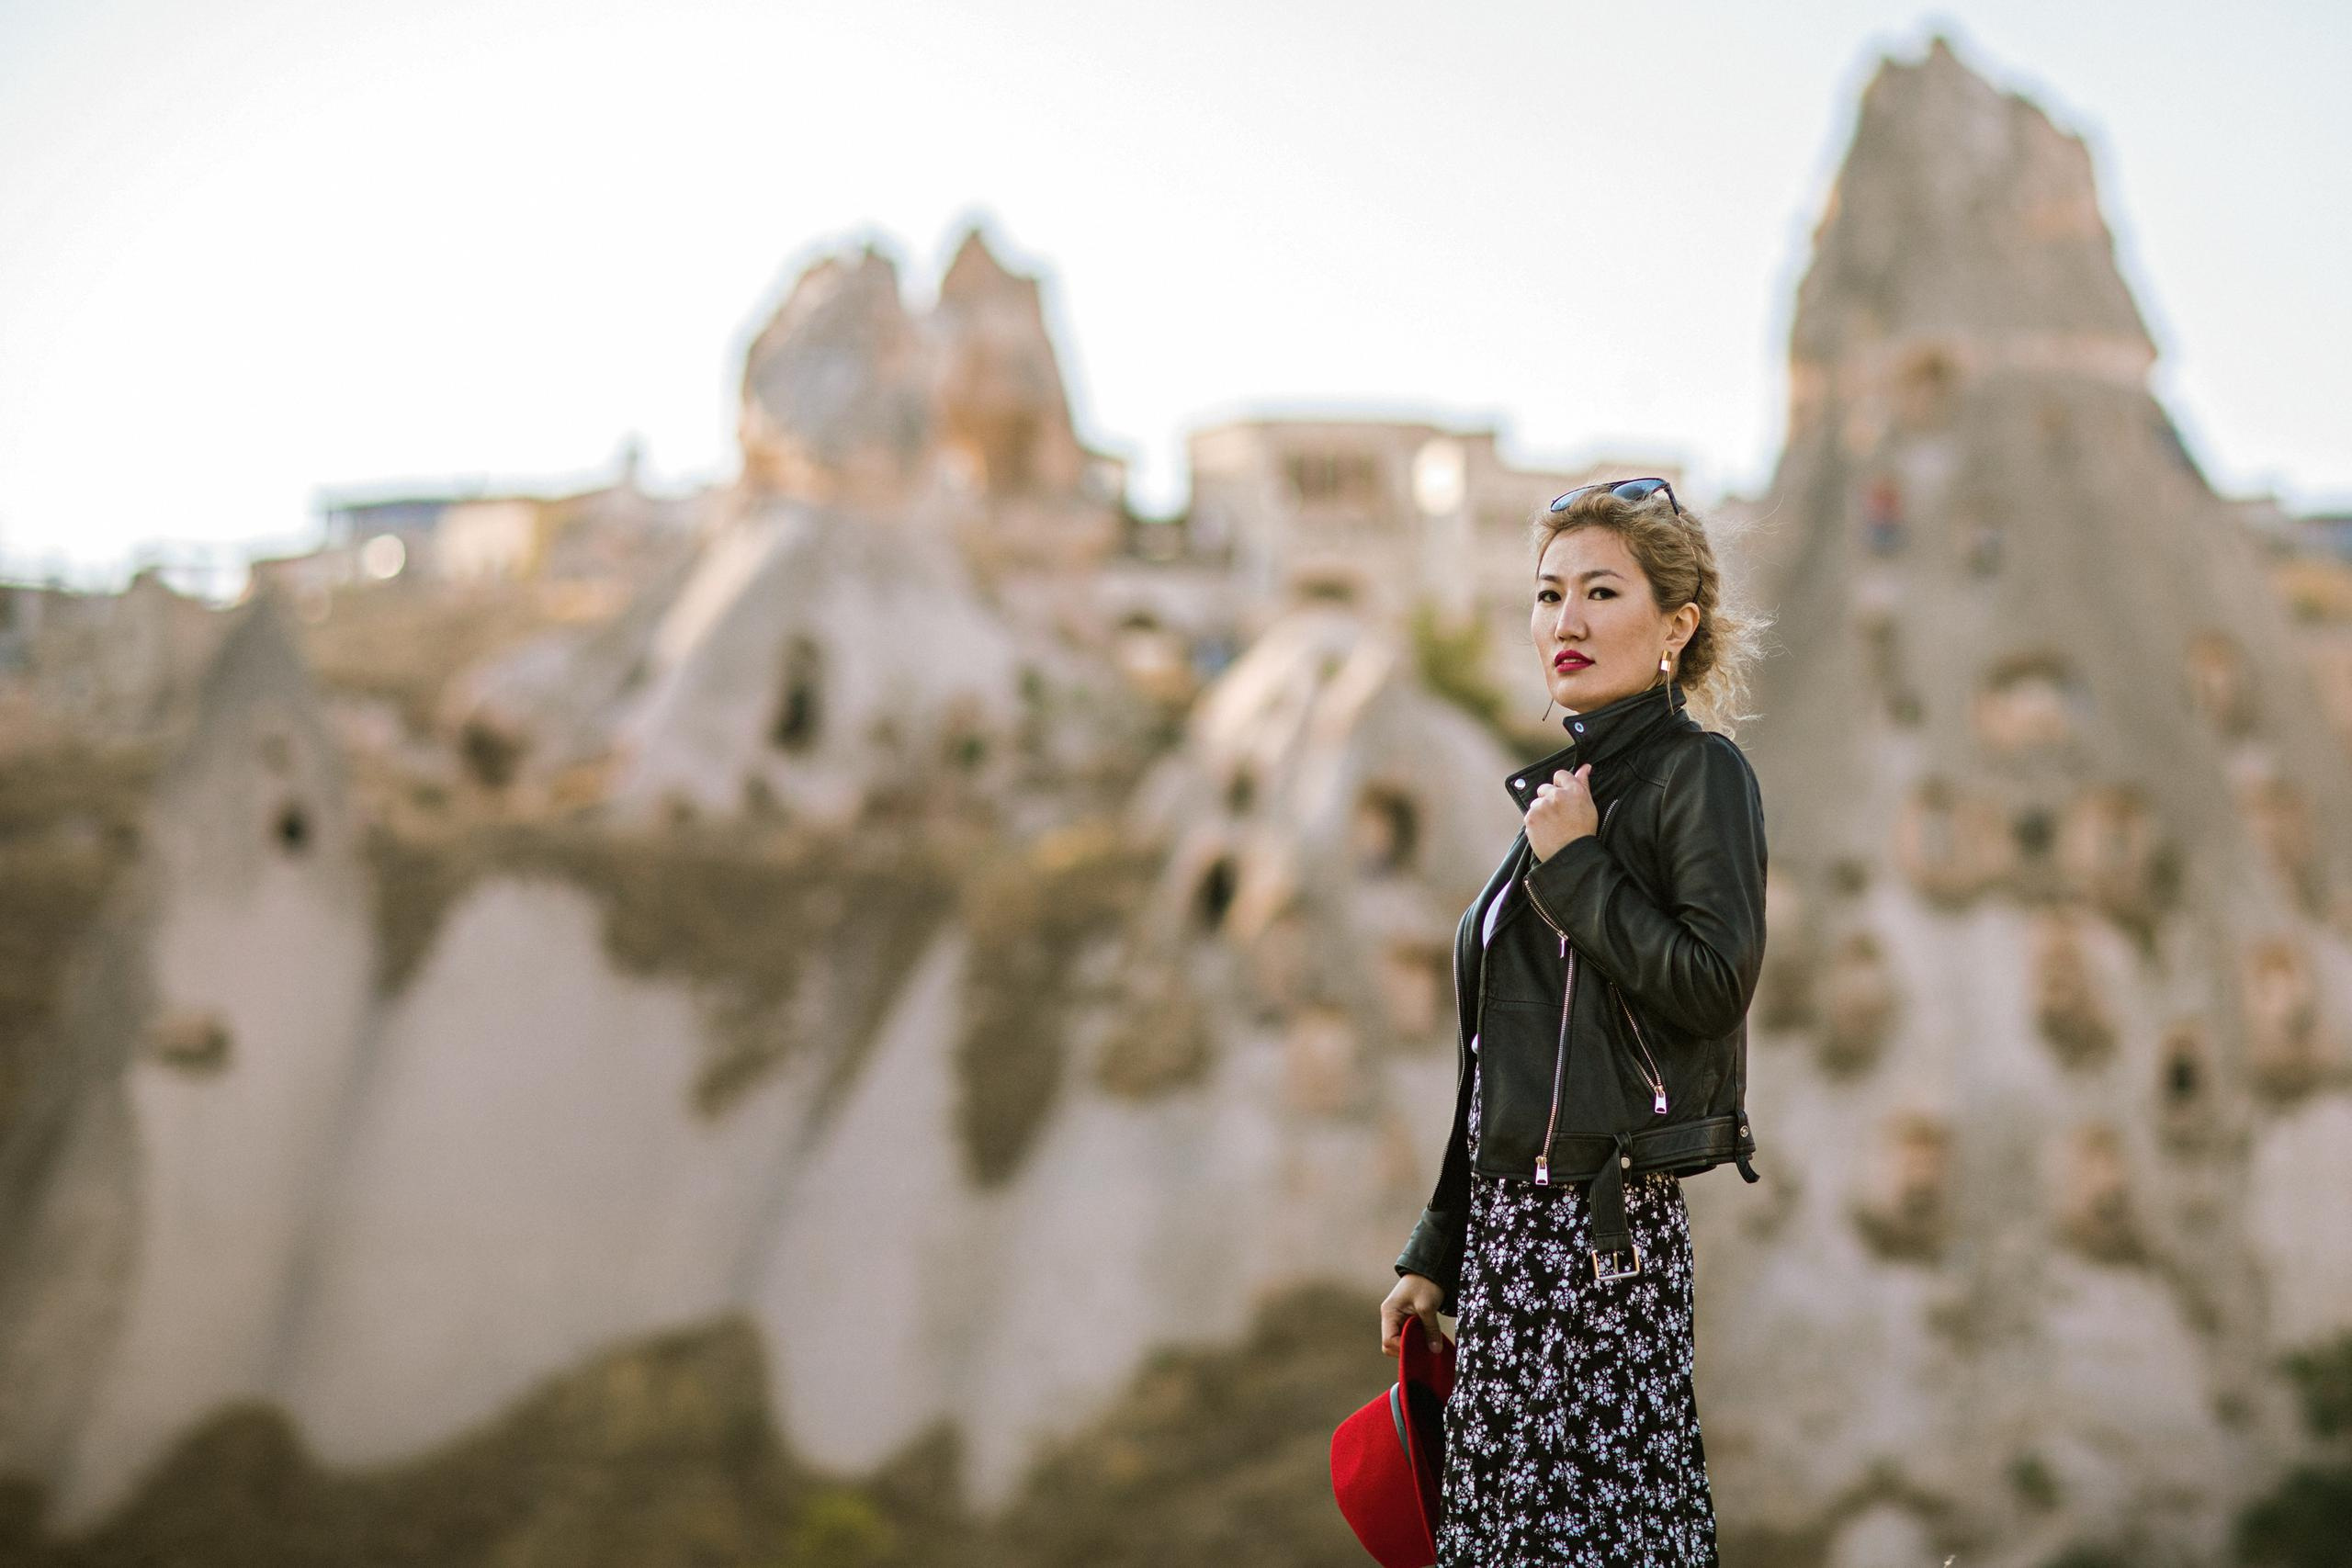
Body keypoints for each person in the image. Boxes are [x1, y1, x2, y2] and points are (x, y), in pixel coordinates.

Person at [1378, 477, 1771, 1566]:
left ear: (1675, 625)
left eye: (1602, 592)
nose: (1567, 621)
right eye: (1548, 595)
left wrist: (1581, 867)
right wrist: (1441, 1244)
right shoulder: (1568, 790)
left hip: (1603, 1241)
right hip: (1512, 1242)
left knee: (1596, 1539)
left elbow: (1712, 984)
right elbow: (1498, 1058)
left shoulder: (1698, 776)